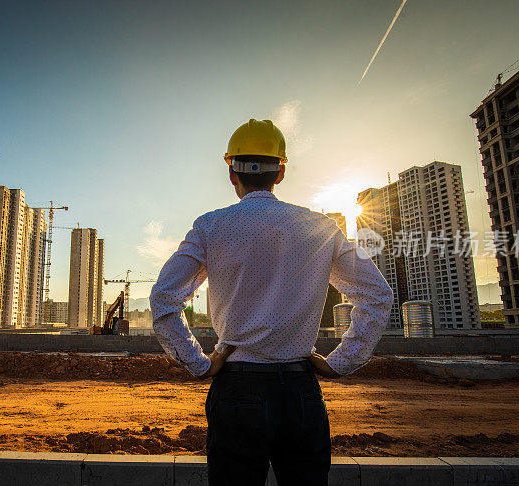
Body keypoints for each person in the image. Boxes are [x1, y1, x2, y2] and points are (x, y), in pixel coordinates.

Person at [149, 119, 392, 485]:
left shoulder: (211, 227)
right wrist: (341, 363)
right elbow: (376, 294)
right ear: (280, 172)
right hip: (300, 390)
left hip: (235, 390)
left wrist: (200, 364)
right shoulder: (321, 227)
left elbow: (164, 298)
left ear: (232, 173)